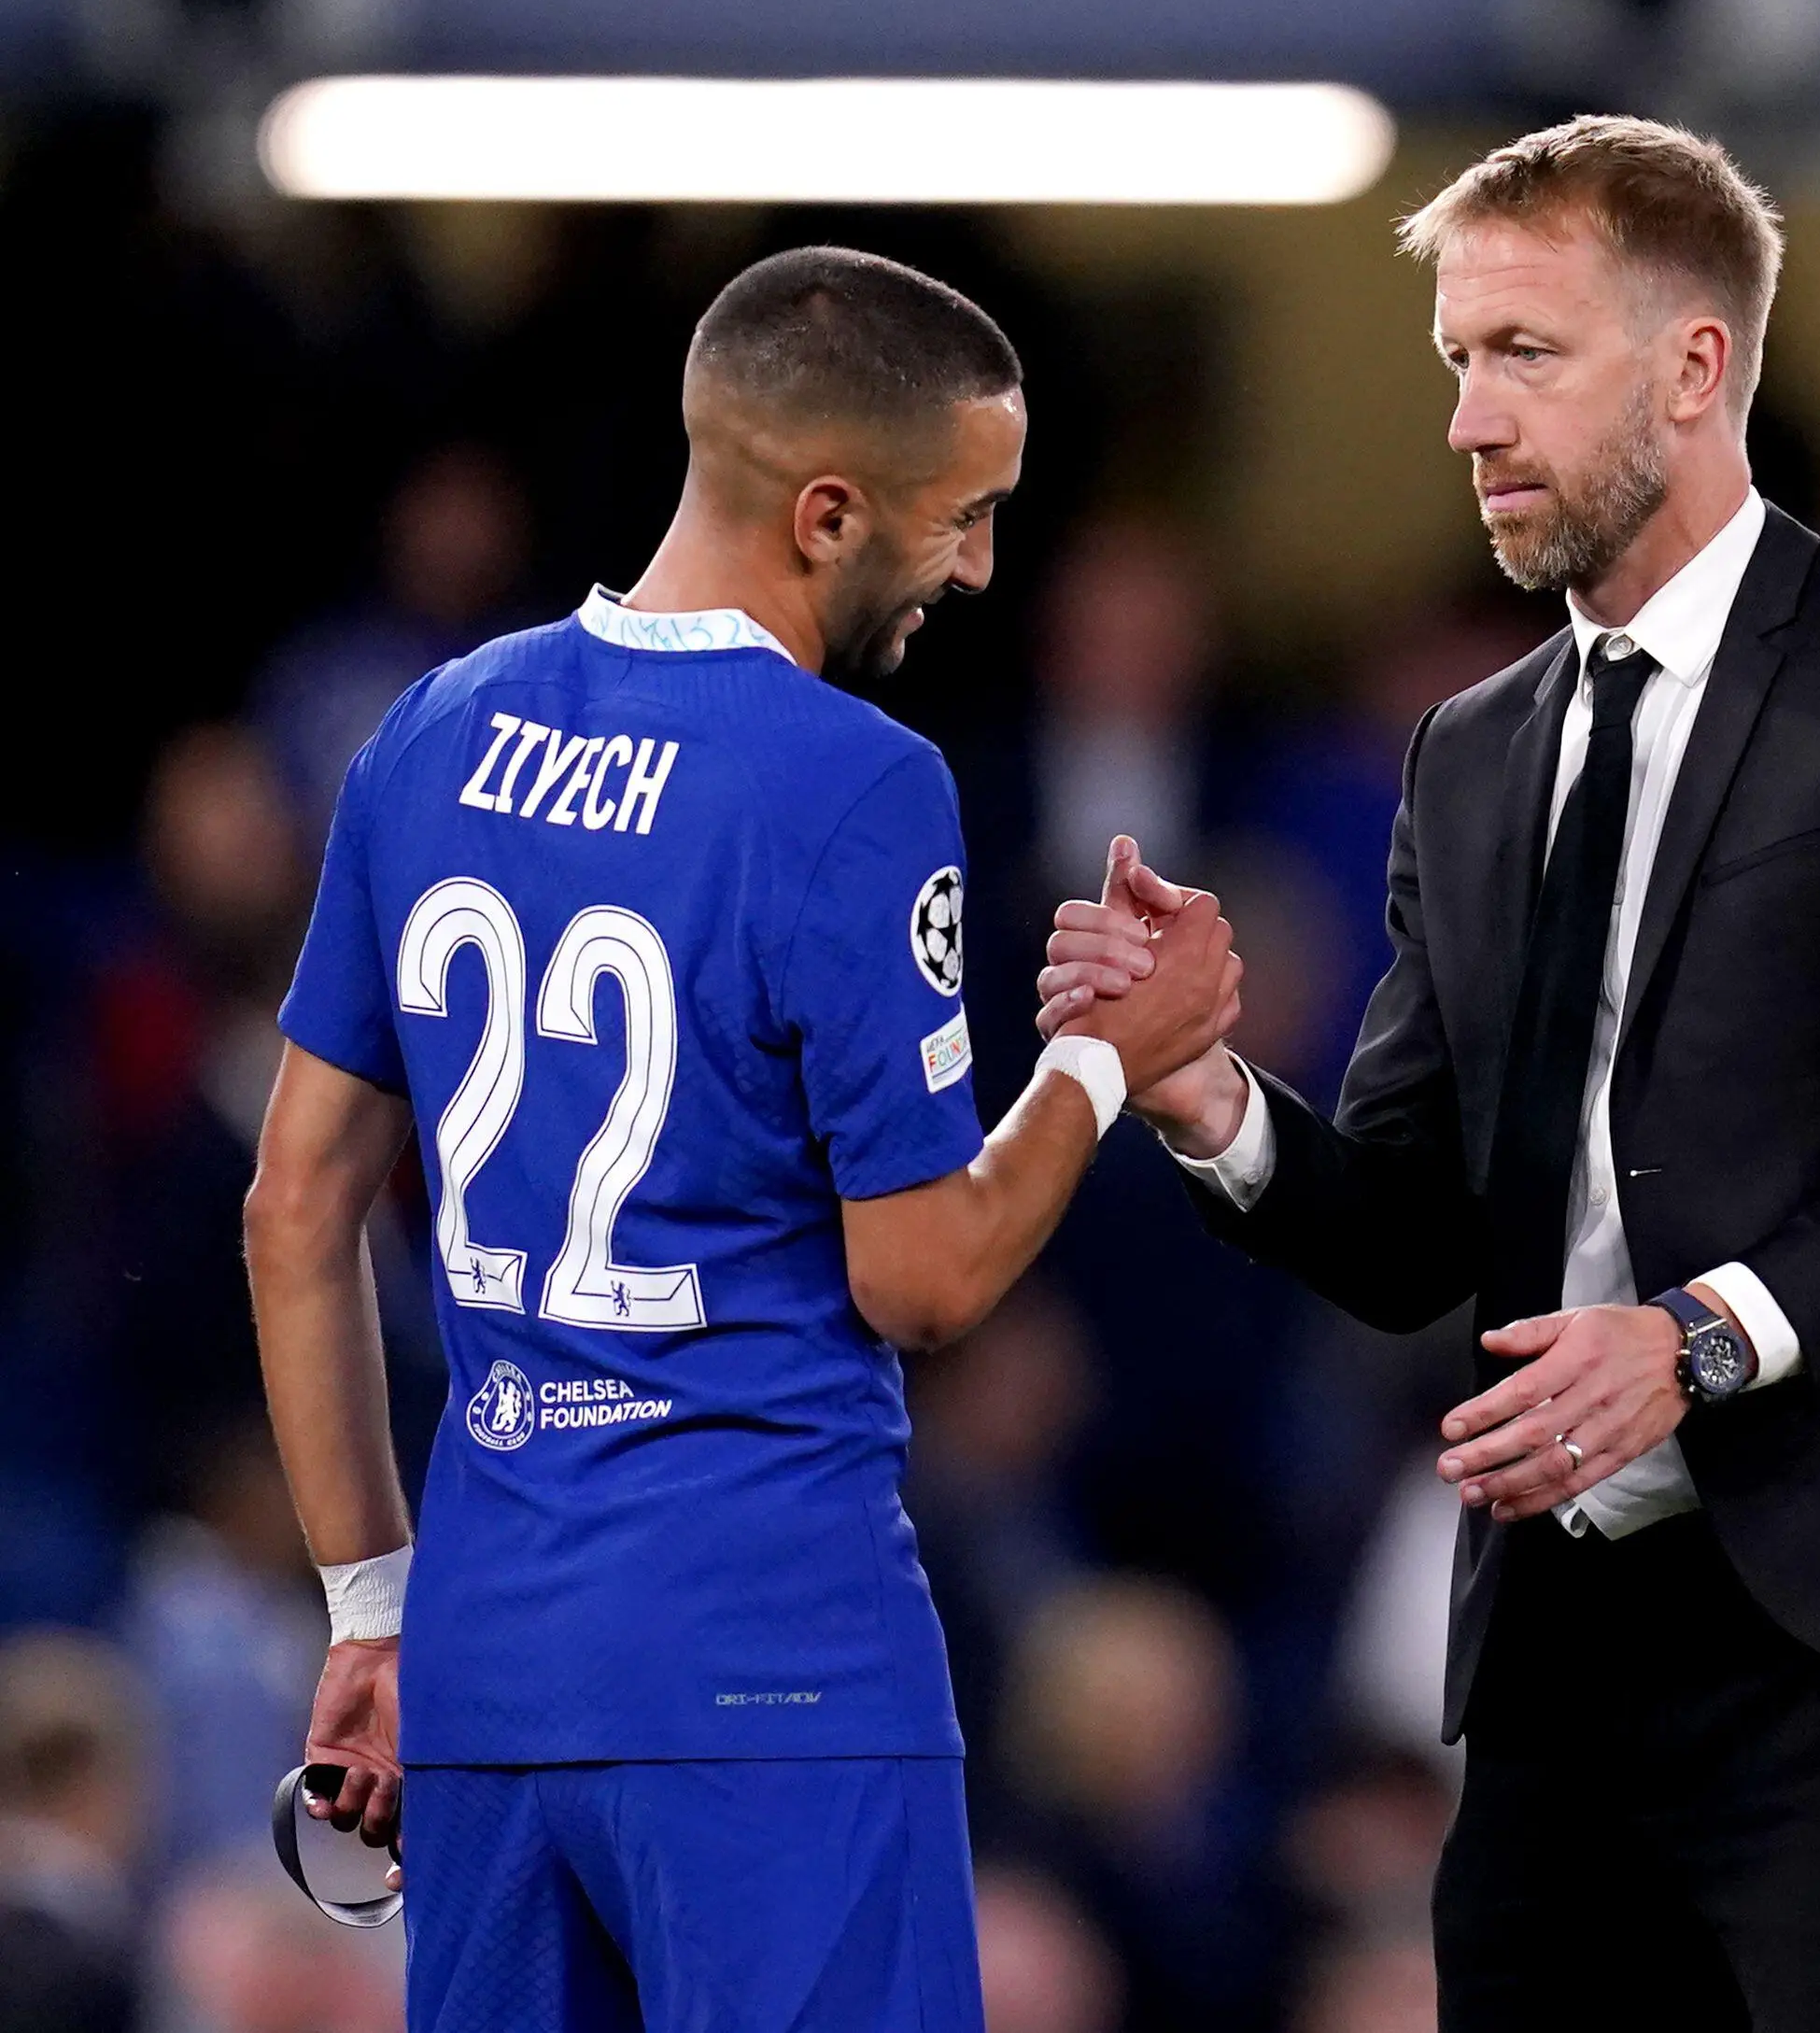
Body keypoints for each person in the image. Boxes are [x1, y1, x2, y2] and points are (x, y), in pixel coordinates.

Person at [1039, 115, 1820, 2032]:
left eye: (1525, 354)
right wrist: (1204, 1087)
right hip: (1560, 1656)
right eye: (1457, 358)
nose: (1469, 417)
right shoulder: (1469, 747)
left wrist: (1695, 1336)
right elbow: (1408, 1227)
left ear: (1697, 364)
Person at [243, 247, 1243, 2033]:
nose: (983, 567)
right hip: (773, 1671)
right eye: (965, 517)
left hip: (491, 1672)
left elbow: (297, 1205)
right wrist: (1104, 1060)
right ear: (830, 510)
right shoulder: (853, 778)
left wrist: (372, 1608)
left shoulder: (433, 732)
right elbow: (924, 1278)